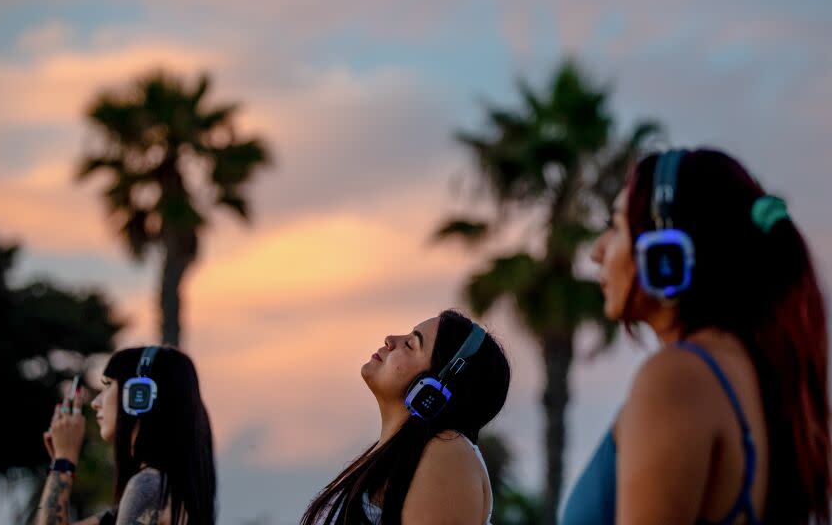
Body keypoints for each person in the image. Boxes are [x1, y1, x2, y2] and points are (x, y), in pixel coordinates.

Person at [560, 148, 831, 524]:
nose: (597, 252)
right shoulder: (746, 371)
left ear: (666, 254)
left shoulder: (677, 379)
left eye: (618, 227)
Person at [301, 309, 511, 524]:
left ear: (435, 388)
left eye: (410, 345)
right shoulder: (394, 457)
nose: (390, 340)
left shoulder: (447, 452)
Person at [36, 346, 216, 525]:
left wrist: (64, 458)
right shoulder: (160, 489)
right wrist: (62, 460)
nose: (95, 403)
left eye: (108, 385)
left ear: (140, 395)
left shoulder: (148, 487)